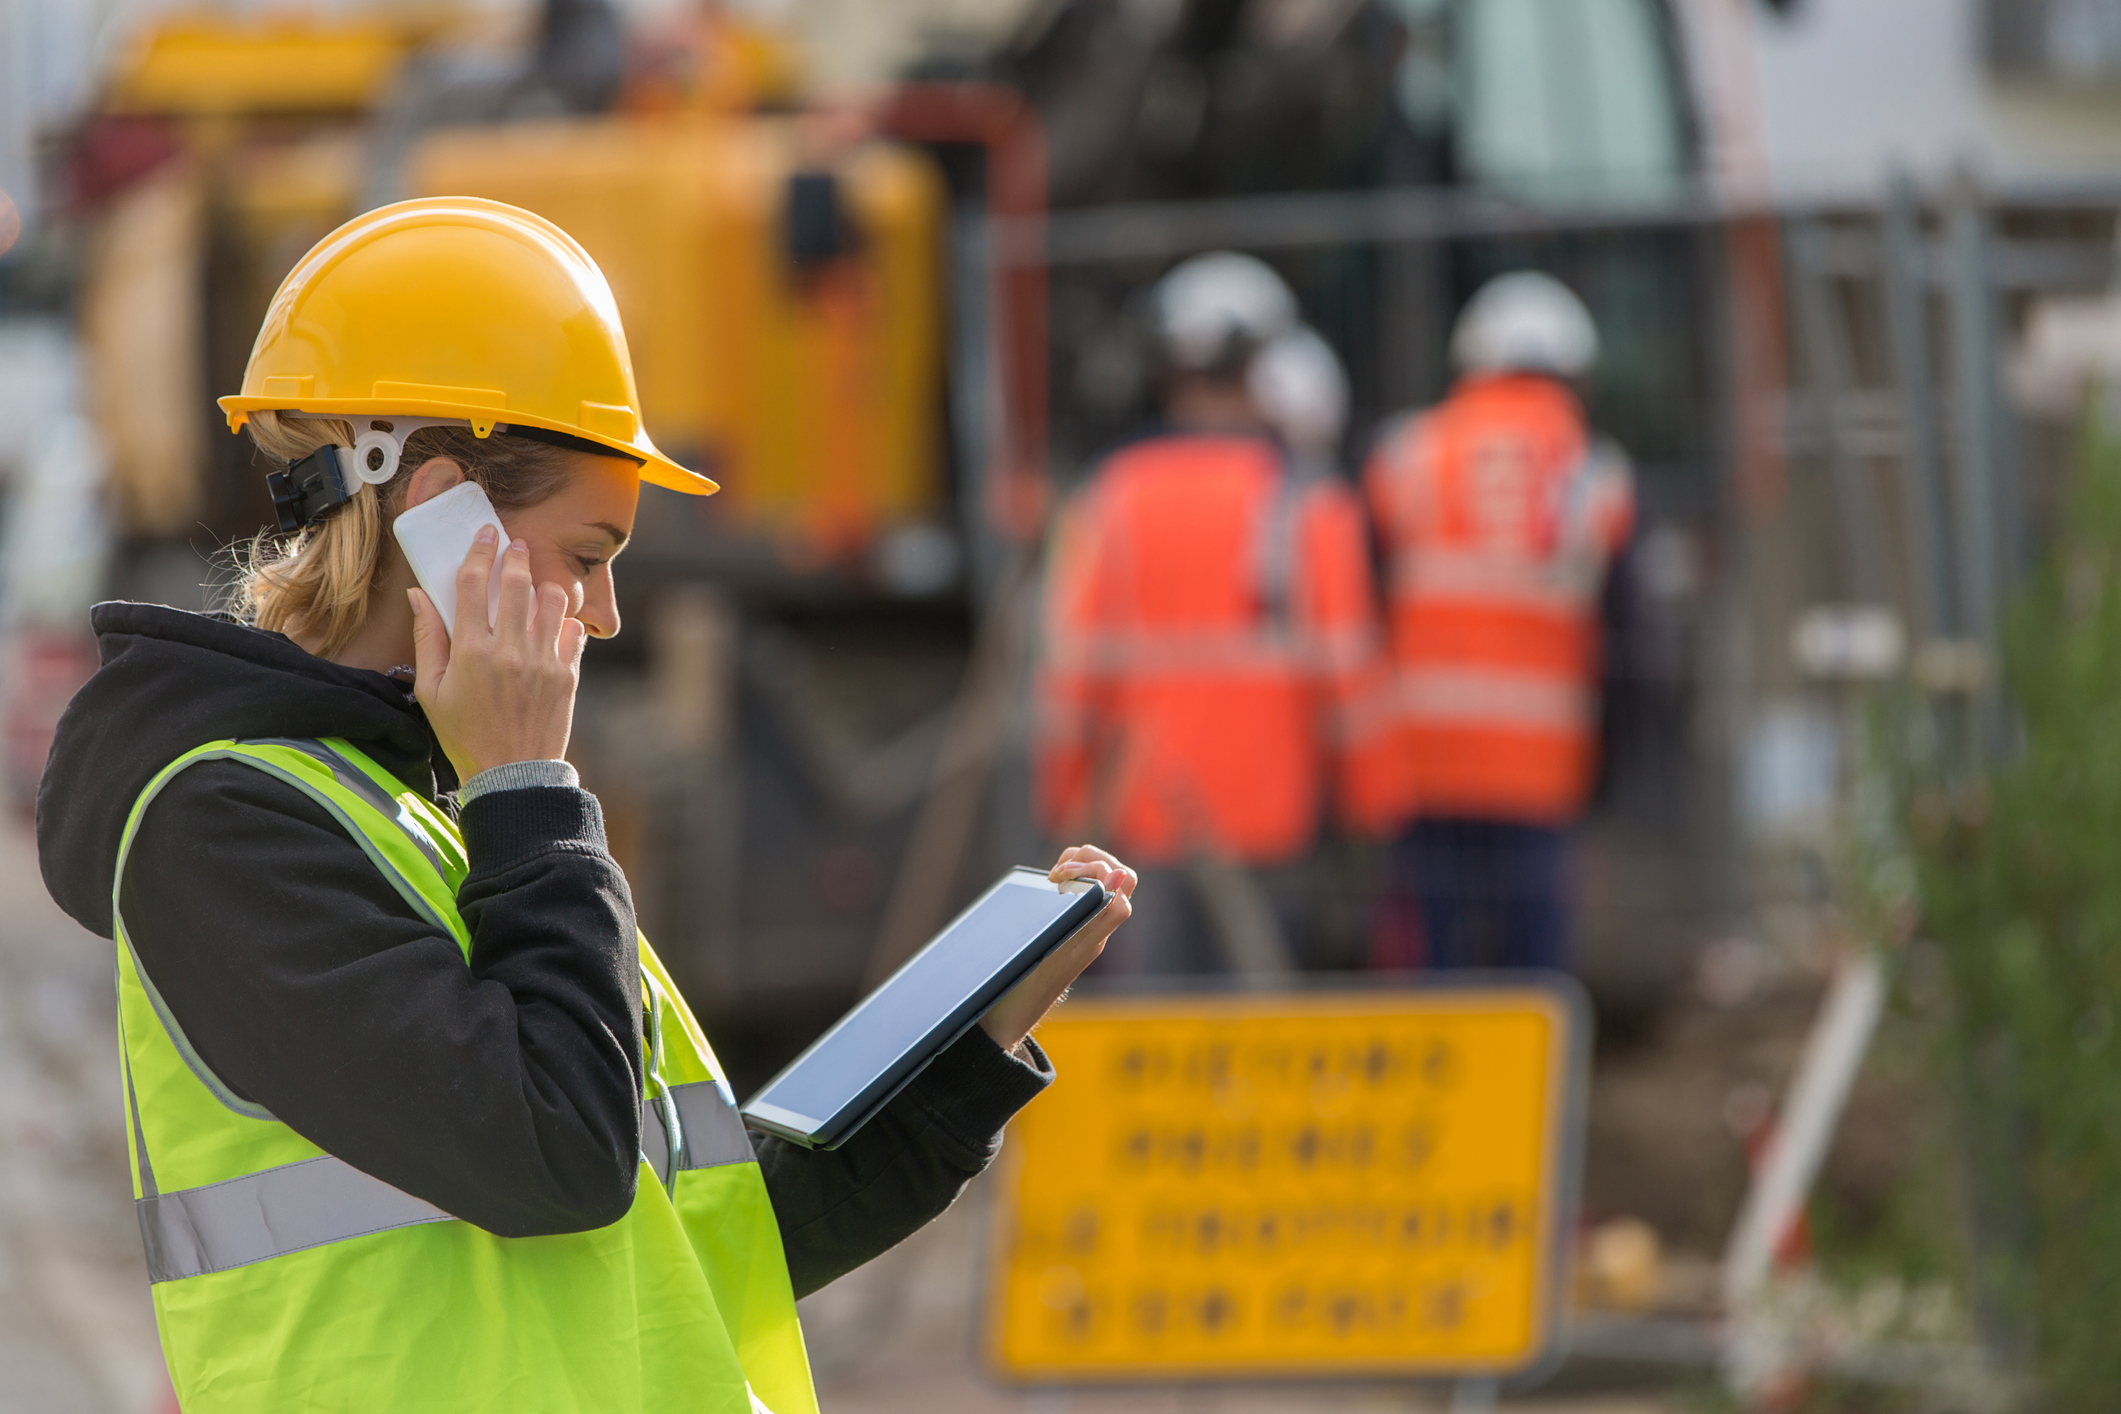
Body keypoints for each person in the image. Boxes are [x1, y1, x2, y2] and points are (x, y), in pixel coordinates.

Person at [34, 197, 1136, 1414]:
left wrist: (965, 1066)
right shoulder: (225, 829)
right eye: (588, 551)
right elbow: (563, 1154)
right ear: (437, 510)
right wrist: (526, 785)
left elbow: (692, 1236)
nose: (607, 614)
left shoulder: (441, 810)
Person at [1033, 253, 1387, 975]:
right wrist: (1373, 819)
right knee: (1258, 1030)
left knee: (1160, 1034)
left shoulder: (1110, 498)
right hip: (1271, 817)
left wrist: (1065, 803)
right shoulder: (1310, 504)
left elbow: (1071, 680)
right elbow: (1349, 681)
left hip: (1148, 819)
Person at [1362, 270, 1634, 971]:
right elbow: (1632, 643)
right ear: (1575, 371)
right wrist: (1612, 775)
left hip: (1420, 765)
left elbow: (1358, 605)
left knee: (1435, 978)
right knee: (1530, 984)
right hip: (1538, 775)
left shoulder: (1404, 456)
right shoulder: (1594, 475)